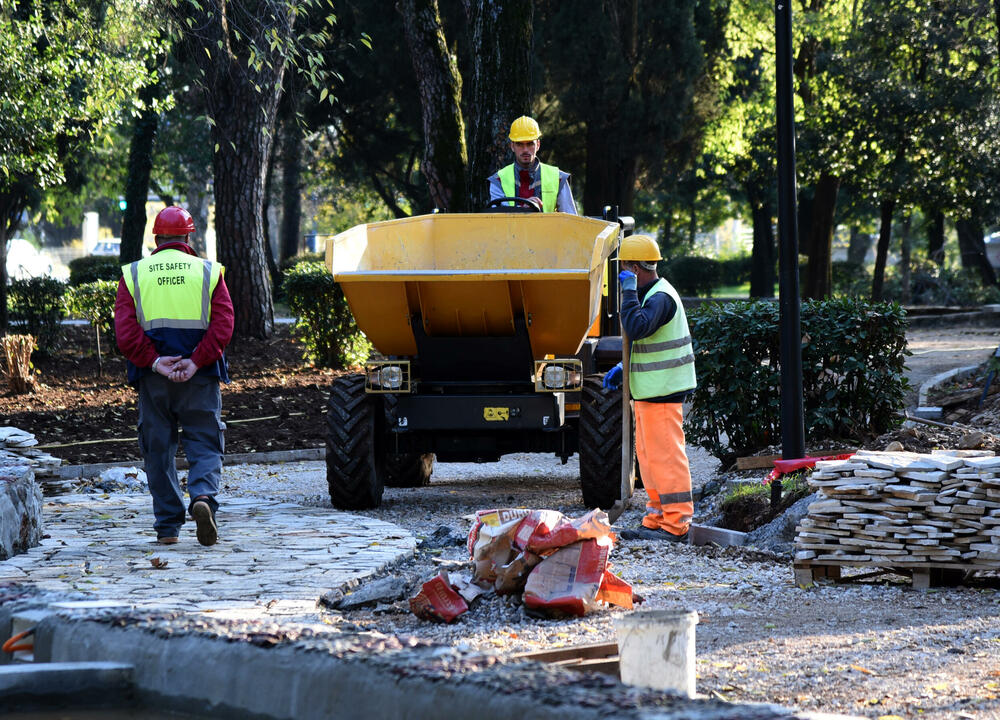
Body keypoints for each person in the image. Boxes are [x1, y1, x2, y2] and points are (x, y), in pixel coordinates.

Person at [115, 206, 234, 547]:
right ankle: (202, 499)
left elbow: (125, 332)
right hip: (200, 377)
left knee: (157, 449)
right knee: (205, 442)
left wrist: (154, 362)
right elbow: (224, 324)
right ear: (188, 236)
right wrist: (196, 361)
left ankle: (168, 526)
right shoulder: (209, 272)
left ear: (156, 237)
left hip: (154, 380)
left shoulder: (135, 274)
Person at [603, 234, 696, 543]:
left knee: (666, 458)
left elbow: (637, 326)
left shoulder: (661, 296)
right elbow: (641, 340)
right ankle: (657, 518)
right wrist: (623, 368)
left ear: (636, 267)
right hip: (648, 392)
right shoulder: (650, 294)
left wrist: (628, 292)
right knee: (650, 460)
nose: (621, 275)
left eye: (624, 268)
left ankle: (676, 523)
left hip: (663, 391)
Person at [487, 115, 578, 214]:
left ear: (538, 145)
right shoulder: (498, 180)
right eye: (519, 144)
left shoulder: (558, 178)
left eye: (530, 144)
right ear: (512, 146)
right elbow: (499, 222)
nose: (525, 150)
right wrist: (524, 210)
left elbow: (570, 221)